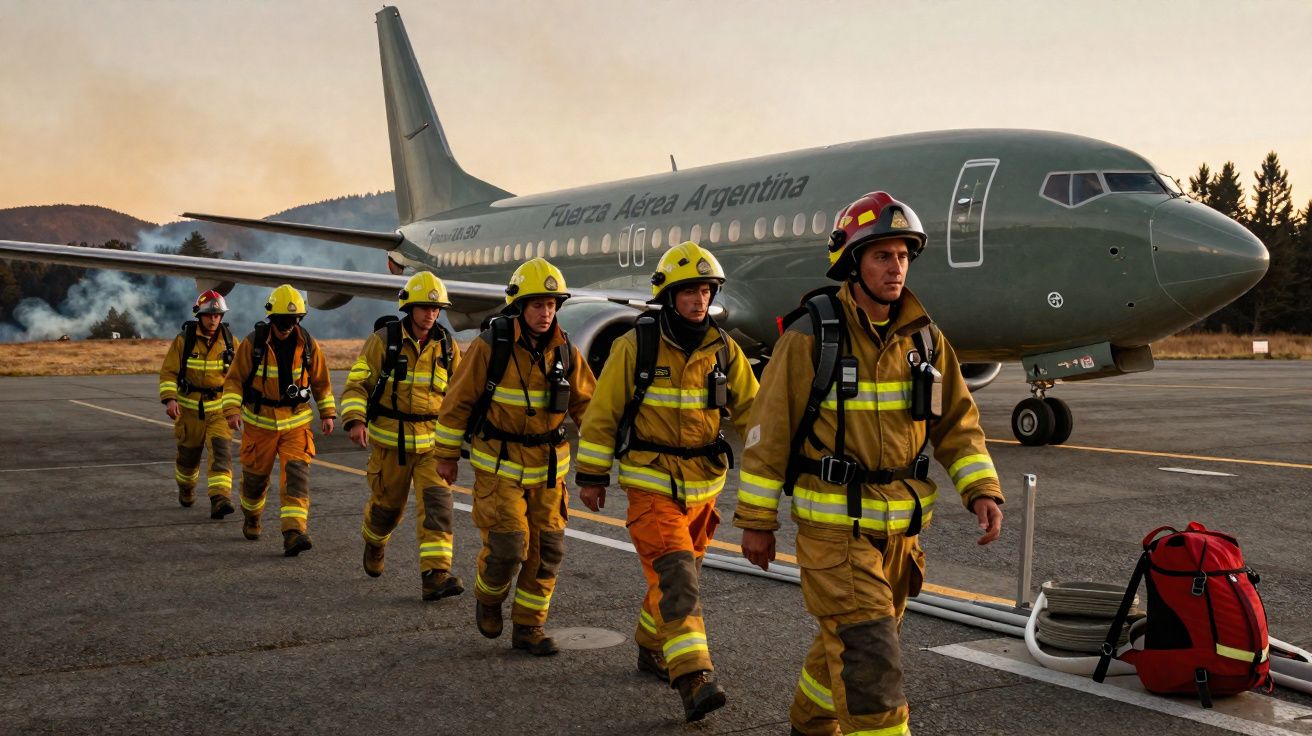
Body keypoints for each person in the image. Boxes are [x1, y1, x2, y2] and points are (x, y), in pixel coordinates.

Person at [734, 192, 1005, 736]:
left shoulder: (925, 338)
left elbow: (957, 421)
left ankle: (810, 724)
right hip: (834, 533)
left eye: (903, 255)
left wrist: (982, 489)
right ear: (853, 262)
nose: (896, 267)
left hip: (900, 534)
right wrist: (757, 525)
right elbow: (768, 437)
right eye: (882, 255)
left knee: (852, 639)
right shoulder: (811, 335)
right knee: (869, 654)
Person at [575, 242, 758, 722]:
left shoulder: (724, 349)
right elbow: (603, 414)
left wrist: (783, 464)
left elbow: (756, 413)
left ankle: (649, 645)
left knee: (677, 577)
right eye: (688, 292)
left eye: (705, 290)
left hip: (704, 489)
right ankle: (694, 676)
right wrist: (592, 475)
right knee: (677, 576)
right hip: (651, 483)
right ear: (667, 296)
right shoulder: (636, 346)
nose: (699, 301)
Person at [433, 258, 594, 656]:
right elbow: (457, 403)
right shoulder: (493, 345)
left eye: (552, 305)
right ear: (519, 306)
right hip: (499, 466)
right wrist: (447, 455)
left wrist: (599, 464)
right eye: (538, 305)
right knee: (507, 546)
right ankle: (489, 599)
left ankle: (529, 627)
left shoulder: (566, 351)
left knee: (548, 552)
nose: (546, 313)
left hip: (549, 471)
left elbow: (590, 408)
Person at [339, 271, 465, 600]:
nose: (431, 314)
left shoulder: (448, 346)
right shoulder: (384, 340)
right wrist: (355, 419)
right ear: (409, 307)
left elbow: (461, 394)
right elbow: (357, 383)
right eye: (425, 307)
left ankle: (436, 575)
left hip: (432, 447)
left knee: (438, 505)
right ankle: (374, 542)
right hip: (390, 444)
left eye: (436, 308)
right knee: (387, 510)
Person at [221, 284, 336, 557]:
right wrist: (232, 411)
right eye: (283, 320)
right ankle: (252, 515)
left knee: (296, 477)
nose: (288, 325)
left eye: (294, 320)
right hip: (259, 425)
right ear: (272, 318)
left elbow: (321, 383)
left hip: (296, 423)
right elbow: (234, 381)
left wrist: (328, 413)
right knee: (254, 483)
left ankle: (294, 533)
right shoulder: (254, 343)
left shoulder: (307, 344)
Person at [158, 290, 238, 518]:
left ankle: (220, 499)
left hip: (219, 410)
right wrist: (170, 399)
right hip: (189, 411)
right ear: (199, 315)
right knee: (187, 461)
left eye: (217, 315)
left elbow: (241, 375)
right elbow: (168, 373)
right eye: (209, 315)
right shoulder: (184, 341)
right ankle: (186, 489)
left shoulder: (231, 342)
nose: (213, 319)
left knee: (221, 453)